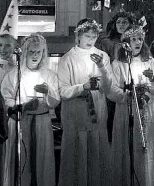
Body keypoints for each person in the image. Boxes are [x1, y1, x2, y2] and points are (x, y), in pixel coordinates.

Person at [57, 19, 113, 186]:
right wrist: (83, 87)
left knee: (96, 155)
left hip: (97, 113)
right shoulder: (68, 59)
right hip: (76, 114)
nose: (91, 40)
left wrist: (102, 67)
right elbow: (62, 91)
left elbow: (108, 87)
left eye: (94, 36)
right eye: (87, 36)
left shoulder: (102, 56)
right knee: (76, 157)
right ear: (79, 36)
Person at [108, 24, 154, 186]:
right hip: (127, 111)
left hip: (147, 111)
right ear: (126, 42)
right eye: (133, 39)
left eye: (140, 39)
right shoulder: (119, 64)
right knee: (128, 147)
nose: (138, 42)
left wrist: (152, 79)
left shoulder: (150, 61)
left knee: (146, 148)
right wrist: (128, 95)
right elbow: (112, 90)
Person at [1, 34, 59, 186]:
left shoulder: (49, 75)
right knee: (22, 163)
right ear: (25, 52)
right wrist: (24, 106)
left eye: (38, 52)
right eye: (32, 51)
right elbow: (7, 99)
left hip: (42, 122)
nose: (35, 55)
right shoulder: (14, 75)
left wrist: (48, 92)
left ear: (43, 53)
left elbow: (55, 101)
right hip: (22, 122)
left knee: (42, 161)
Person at [96, 12, 135, 142]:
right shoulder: (107, 42)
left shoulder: (134, 40)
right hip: (112, 82)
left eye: (125, 22)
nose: (121, 25)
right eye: (119, 22)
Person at [0, 33, 16, 180]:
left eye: (7, 45)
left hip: (11, 117)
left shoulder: (18, 68)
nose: (3, 49)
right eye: (0, 45)